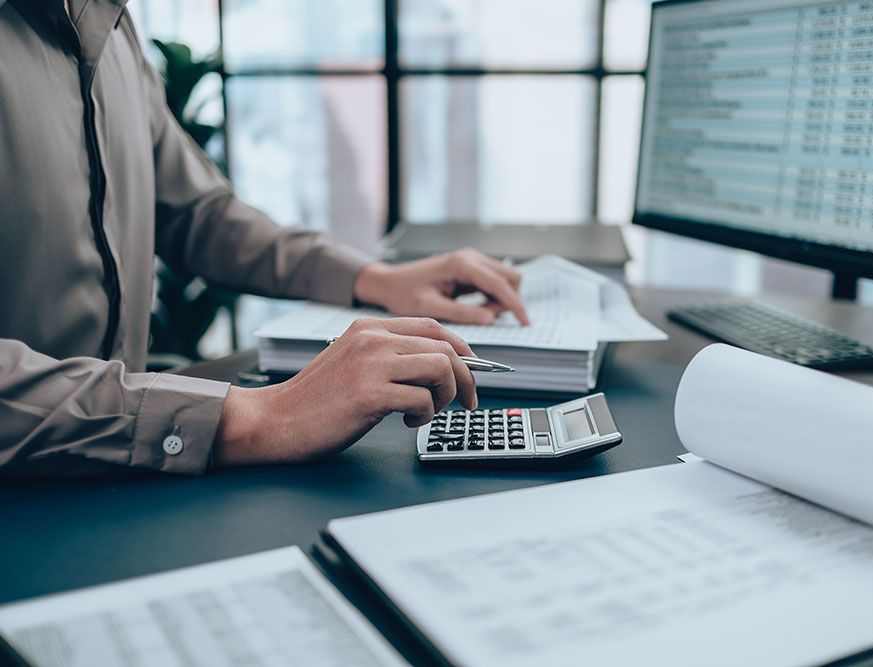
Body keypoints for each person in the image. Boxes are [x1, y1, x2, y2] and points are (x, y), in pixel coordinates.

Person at [0, 0, 529, 476]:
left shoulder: (108, 24)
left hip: (119, 480)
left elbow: (197, 214)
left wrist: (378, 280)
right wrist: (260, 415)